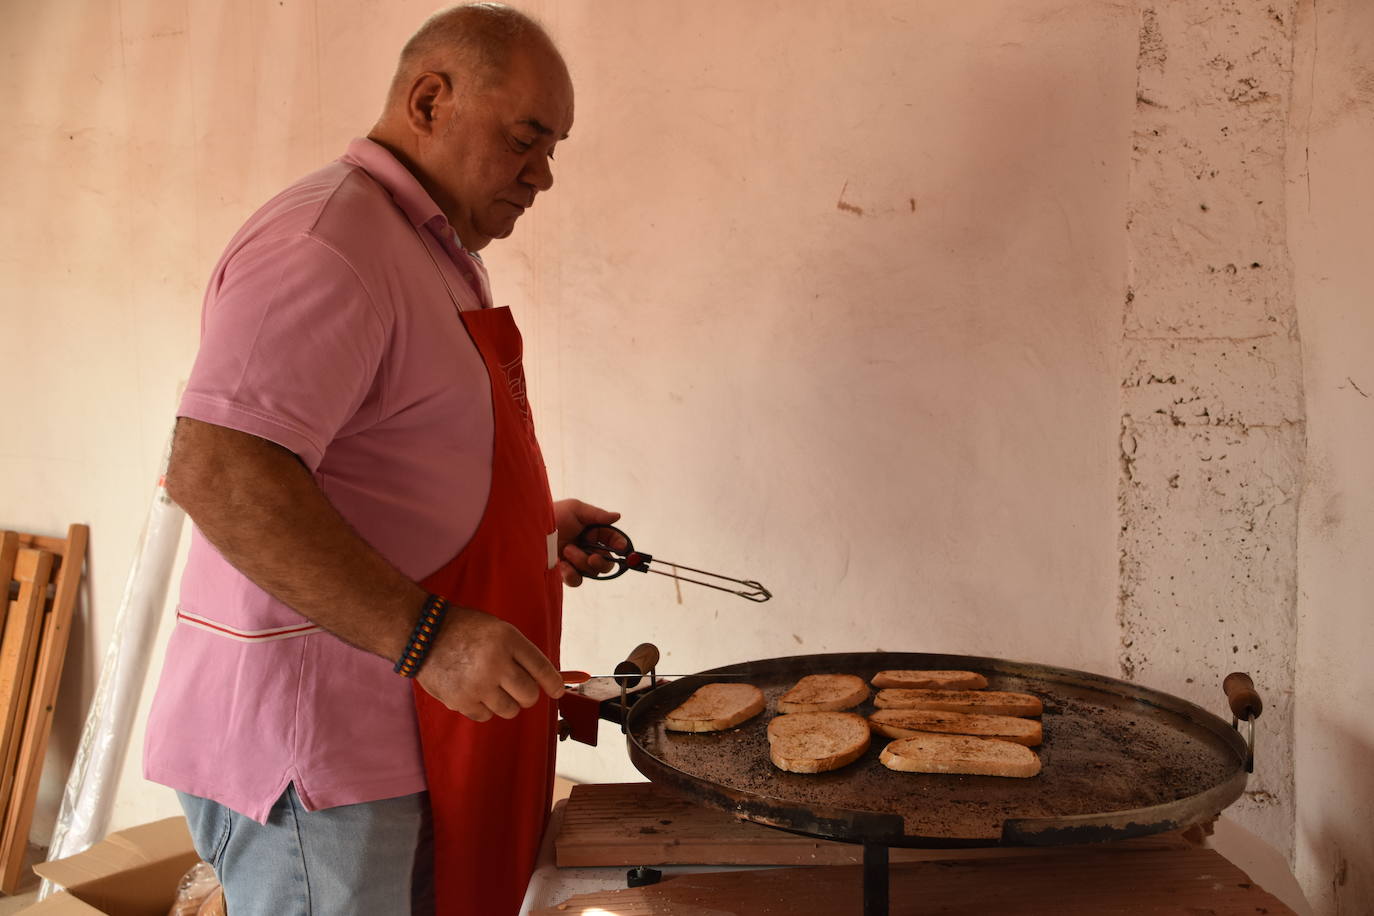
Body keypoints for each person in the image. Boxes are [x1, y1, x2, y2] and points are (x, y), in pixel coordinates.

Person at [143, 5, 610, 914]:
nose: (544, 174)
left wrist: (529, 543)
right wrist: (430, 635)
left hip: (396, 729)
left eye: (552, 148)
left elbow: (377, 474)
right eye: (526, 138)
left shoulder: (417, 245)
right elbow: (221, 471)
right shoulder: (327, 244)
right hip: (315, 751)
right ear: (430, 99)